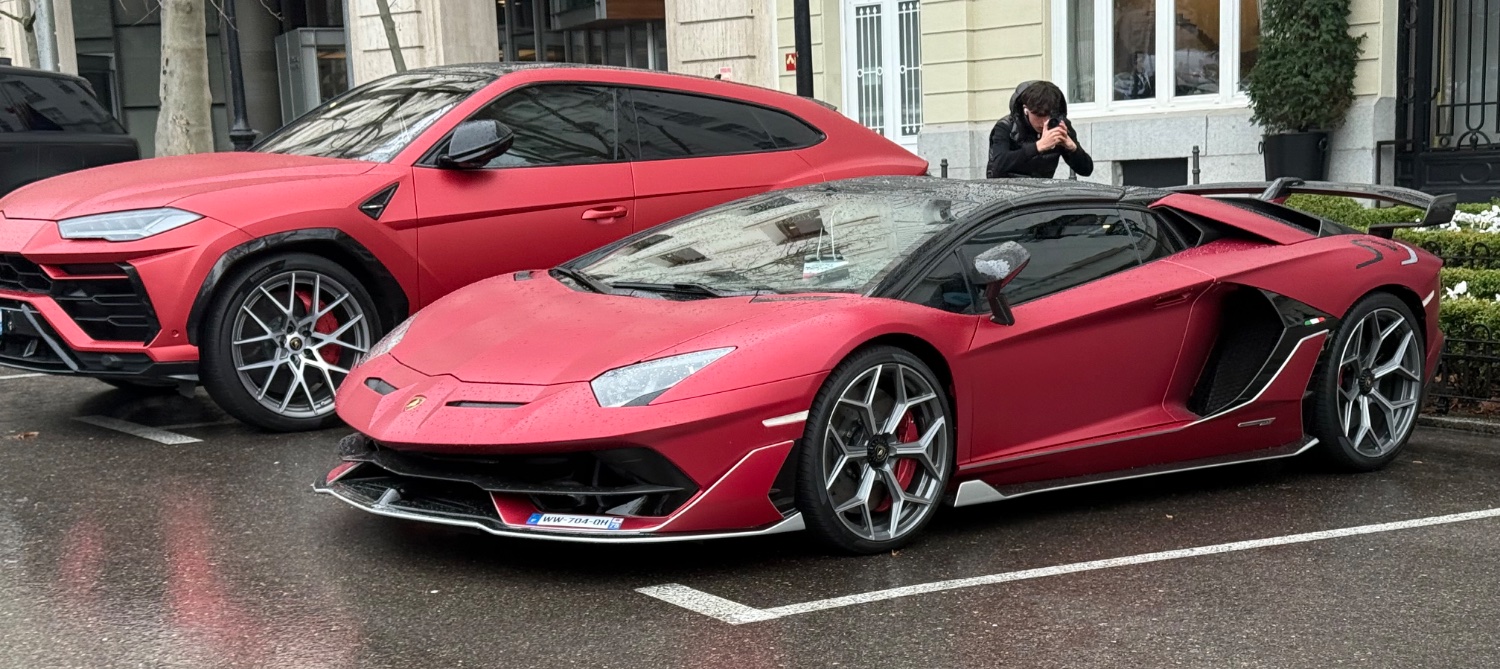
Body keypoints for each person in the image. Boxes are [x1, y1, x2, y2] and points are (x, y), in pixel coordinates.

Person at [985, 80, 1093, 179]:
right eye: (1039, 115)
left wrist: (1073, 149)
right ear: (1026, 109)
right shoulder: (1006, 127)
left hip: (1041, 190)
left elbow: (1086, 170)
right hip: (1008, 190)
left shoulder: (1058, 125)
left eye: (1049, 115)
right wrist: (1038, 146)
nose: (1044, 122)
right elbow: (997, 167)